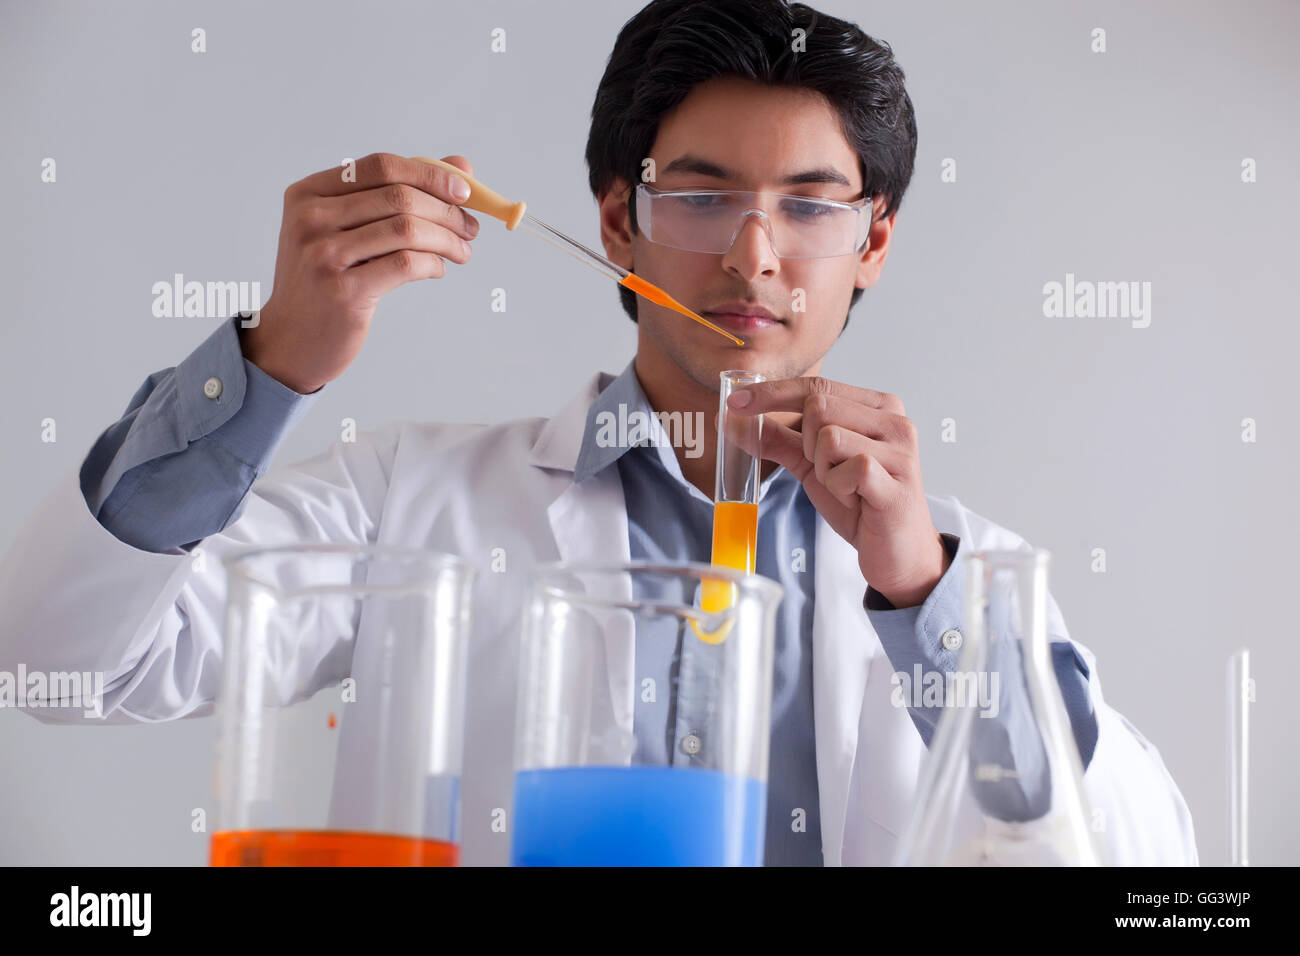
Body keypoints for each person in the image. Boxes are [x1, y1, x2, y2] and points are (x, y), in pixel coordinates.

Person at [0, 0, 1197, 866]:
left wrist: (921, 591)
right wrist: (270, 363)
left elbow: (1135, 862)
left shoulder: (954, 573)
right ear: (619, 223)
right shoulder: (406, 503)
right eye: (701, 195)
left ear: (873, 242)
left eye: (810, 207)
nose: (752, 254)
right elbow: (63, 660)